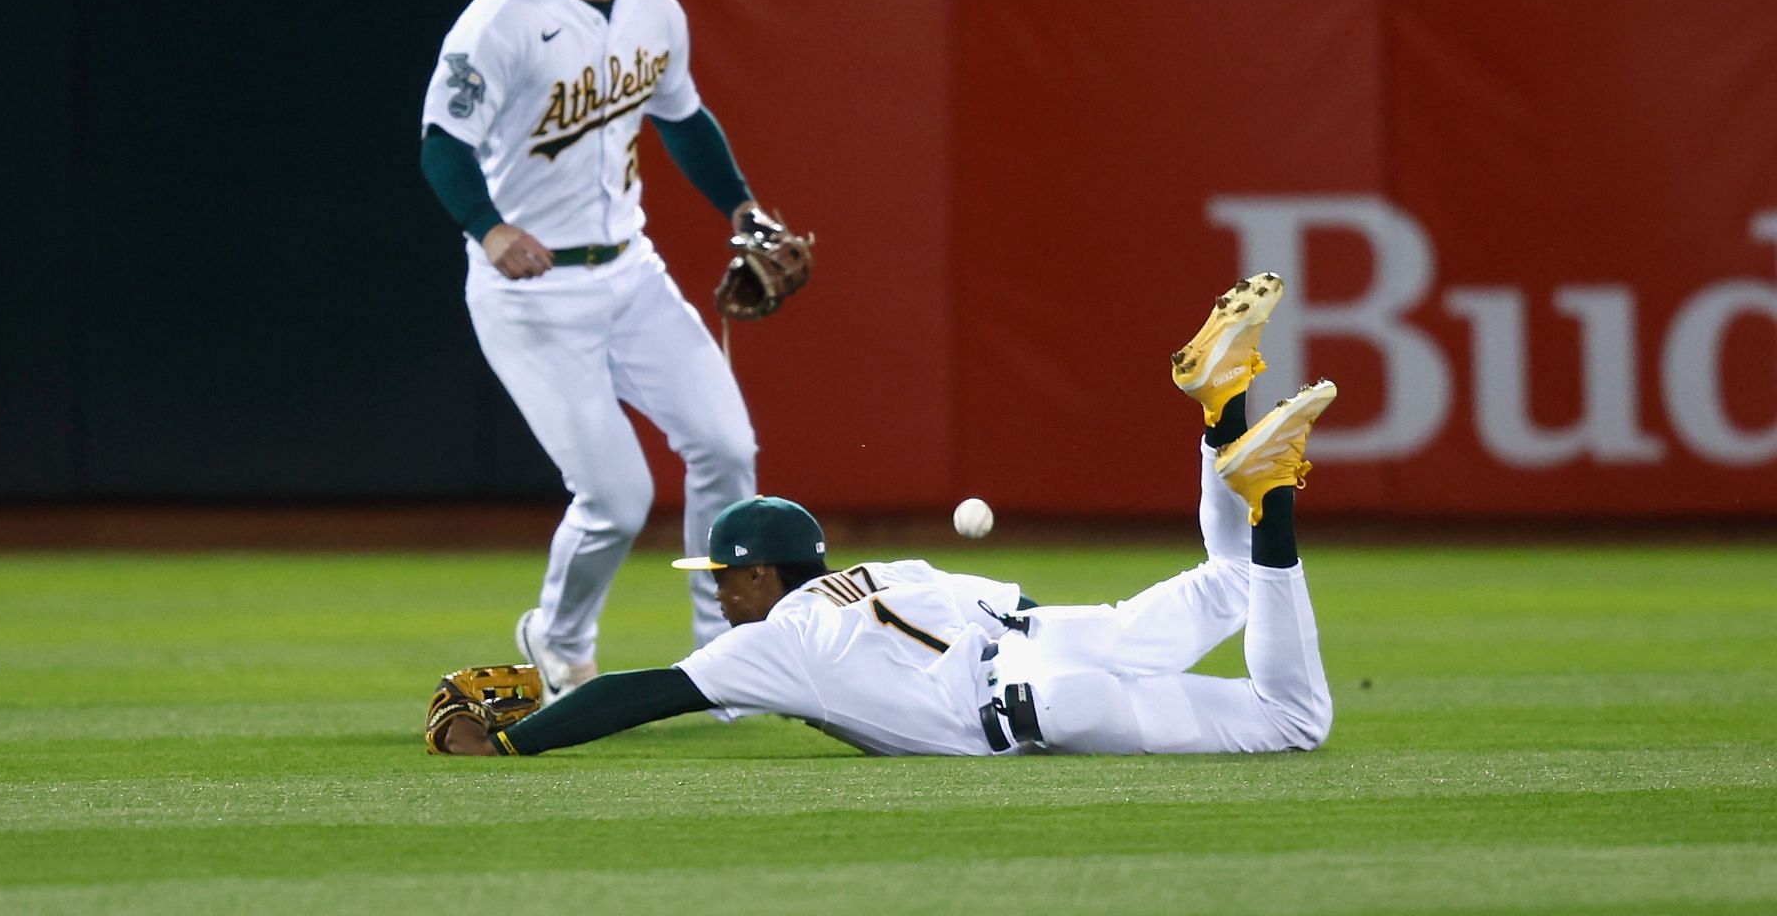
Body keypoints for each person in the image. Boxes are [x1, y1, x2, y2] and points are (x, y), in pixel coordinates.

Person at [429, 272, 1337, 757]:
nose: (722, 595)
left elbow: (643, 693)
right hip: (1071, 631)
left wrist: (517, 741)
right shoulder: (900, 571)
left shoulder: (773, 641)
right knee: (1230, 578)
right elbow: (1010, 599)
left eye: (722, 577)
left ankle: (1274, 495)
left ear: (755, 576)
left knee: (1291, 724)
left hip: (1045, 703)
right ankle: (1225, 413)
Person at [418, 0, 800, 697]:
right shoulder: (498, 23)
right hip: (532, 296)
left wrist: (739, 205)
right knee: (618, 500)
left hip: (631, 275)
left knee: (726, 447)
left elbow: (684, 119)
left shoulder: (656, 11)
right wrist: (487, 226)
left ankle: (725, 656)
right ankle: (554, 633)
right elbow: (443, 144)